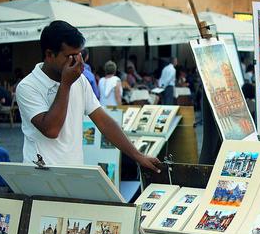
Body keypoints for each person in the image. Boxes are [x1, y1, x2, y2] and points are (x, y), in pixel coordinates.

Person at [15, 20, 160, 172]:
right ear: (50, 54)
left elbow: (104, 122)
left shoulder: (80, 80)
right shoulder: (28, 86)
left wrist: (138, 156)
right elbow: (51, 130)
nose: (78, 62)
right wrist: (66, 84)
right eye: (70, 56)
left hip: (74, 170)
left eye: (79, 55)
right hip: (41, 173)